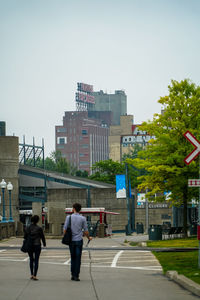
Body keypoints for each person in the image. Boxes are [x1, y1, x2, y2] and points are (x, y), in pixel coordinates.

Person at [63, 203, 92, 281]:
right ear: (80, 209)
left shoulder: (68, 218)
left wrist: (65, 236)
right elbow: (86, 230)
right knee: (78, 258)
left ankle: (72, 274)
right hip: (79, 240)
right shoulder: (83, 218)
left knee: (72, 257)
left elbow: (65, 229)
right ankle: (76, 275)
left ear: (73, 209)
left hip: (71, 241)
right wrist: (89, 237)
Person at [24, 215, 46, 280]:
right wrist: (44, 244)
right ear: (37, 221)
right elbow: (42, 237)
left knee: (31, 259)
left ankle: (31, 274)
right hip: (37, 245)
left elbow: (25, 237)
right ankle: (35, 275)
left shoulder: (27, 228)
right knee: (36, 260)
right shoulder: (39, 228)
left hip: (29, 245)